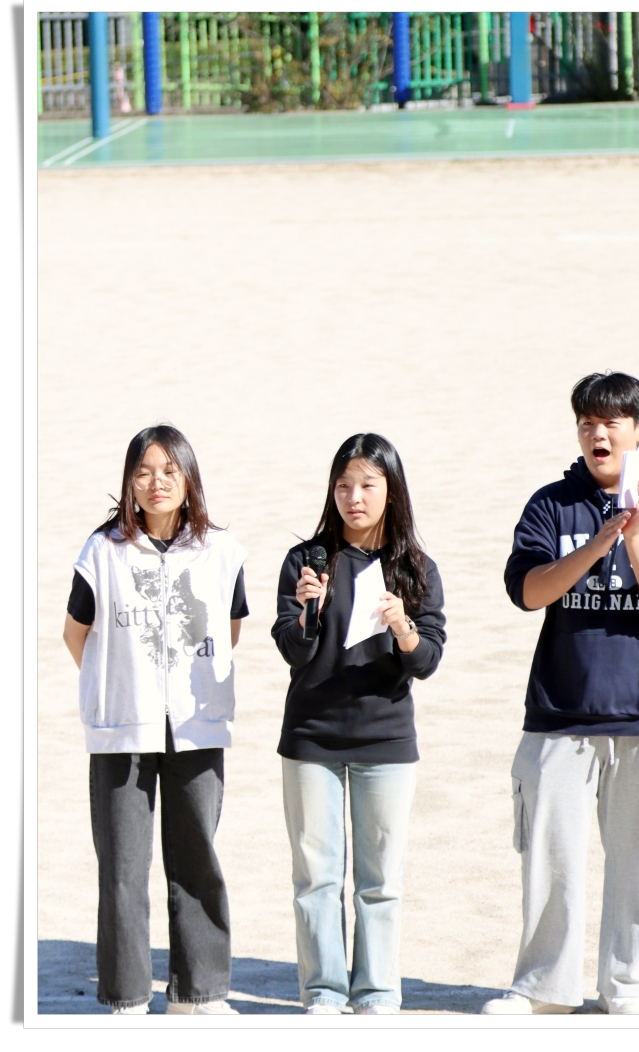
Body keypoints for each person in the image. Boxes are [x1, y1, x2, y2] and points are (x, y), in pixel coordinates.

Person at [482, 372, 639, 1017]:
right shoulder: (551, 504)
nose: (597, 434)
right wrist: (599, 542)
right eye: (586, 423)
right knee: (551, 861)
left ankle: (625, 988)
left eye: (610, 423)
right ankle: (543, 989)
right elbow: (528, 592)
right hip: (559, 711)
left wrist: (632, 536)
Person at [63, 425, 249, 1015]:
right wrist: (121, 683)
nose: (156, 482)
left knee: (197, 857)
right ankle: (126, 998)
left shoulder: (222, 551)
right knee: (123, 866)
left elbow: (230, 629)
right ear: (128, 482)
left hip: (197, 724)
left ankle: (199, 994)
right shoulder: (103, 550)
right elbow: (75, 633)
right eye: (143, 472)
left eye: (169, 470)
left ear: (190, 478)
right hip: (121, 727)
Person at [271, 433, 447, 1015]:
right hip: (311, 737)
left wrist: (403, 626)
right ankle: (323, 991)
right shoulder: (307, 561)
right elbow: (293, 650)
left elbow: (427, 660)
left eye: (368, 485)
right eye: (344, 485)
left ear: (391, 491)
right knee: (316, 876)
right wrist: (308, 612)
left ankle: (376, 992)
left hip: (386, 739)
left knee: (380, 880)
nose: (354, 497)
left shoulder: (415, 568)